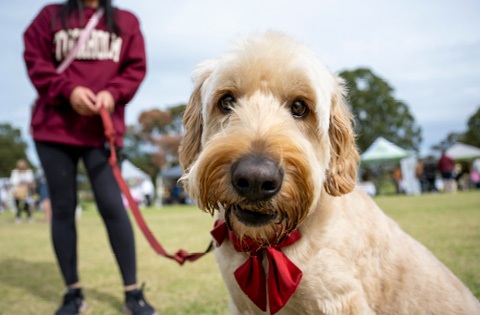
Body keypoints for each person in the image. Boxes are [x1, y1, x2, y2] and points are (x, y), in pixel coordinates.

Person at [23, 1, 156, 314]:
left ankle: (132, 292)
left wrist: (113, 92)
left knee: (112, 205)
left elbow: (135, 68)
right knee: (63, 208)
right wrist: (67, 90)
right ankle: (72, 292)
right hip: (54, 130)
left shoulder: (125, 21)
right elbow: (35, 60)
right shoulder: (50, 16)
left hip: (101, 131)